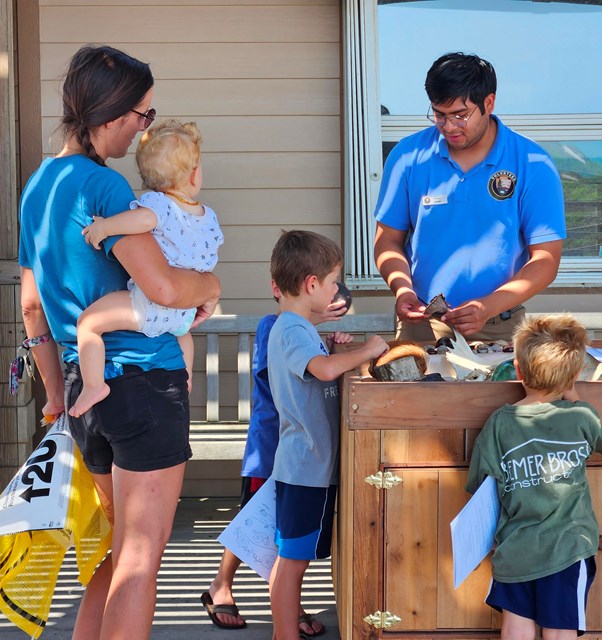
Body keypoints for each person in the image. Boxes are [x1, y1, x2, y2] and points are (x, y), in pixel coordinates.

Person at [18, 45, 221, 640]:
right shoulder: (104, 189)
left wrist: (57, 399)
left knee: (113, 554)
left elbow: (32, 306)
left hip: (87, 389)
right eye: (142, 115)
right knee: (141, 559)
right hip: (143, 386)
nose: (144, 129)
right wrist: (211, 282)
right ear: (110, 114)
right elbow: (161, 285)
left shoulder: (37, 187)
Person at [373, 52, 566, 343]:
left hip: (499, 324)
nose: (449, 127)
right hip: (422, 323)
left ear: (488, 103)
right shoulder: (407, 156)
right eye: (439, 114)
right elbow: (387, 241)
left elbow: (546, 259)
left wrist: (489, 305)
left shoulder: (533, 163)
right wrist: (402, 289)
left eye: (460, 115)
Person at [201, 291, 349, 636]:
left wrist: (328, 344)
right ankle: (222, 584)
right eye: (332, 301)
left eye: (340, 309)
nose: (333, 310)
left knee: (280, 530)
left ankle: (287, 606)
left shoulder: (305, 333)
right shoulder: (278, 327)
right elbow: (294, 378)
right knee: (259, 519)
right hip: (271, 445)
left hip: (291, 447)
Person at [267, 230, 389, 640]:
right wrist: (367, 351)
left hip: (309, 466)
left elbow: (320, 371)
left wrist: (336, 351)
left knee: (293, 557)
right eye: (334, 281)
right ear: (312, 285)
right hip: (307, 468)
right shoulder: (292, 330)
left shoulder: (299, 329)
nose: (338, 289)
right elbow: (321, 371)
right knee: (293, 560)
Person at [466, 313, 602, 639]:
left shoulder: (499, 423)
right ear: (574, 374)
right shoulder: (581, 415)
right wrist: (574, 394)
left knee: (516, 628)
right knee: (560, 630)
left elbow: (479, 483)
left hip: (516, 548)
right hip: (568, 548)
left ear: (518, 369)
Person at [69, 119, 223, 417]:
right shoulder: (208, 217)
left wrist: (104, 227)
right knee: (184, 335)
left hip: (148, 306)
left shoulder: (157, 204)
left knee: (88, 323)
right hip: (184, 311)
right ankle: (186, 375)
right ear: (193, 176)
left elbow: (141, 221)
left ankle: (92, 386)